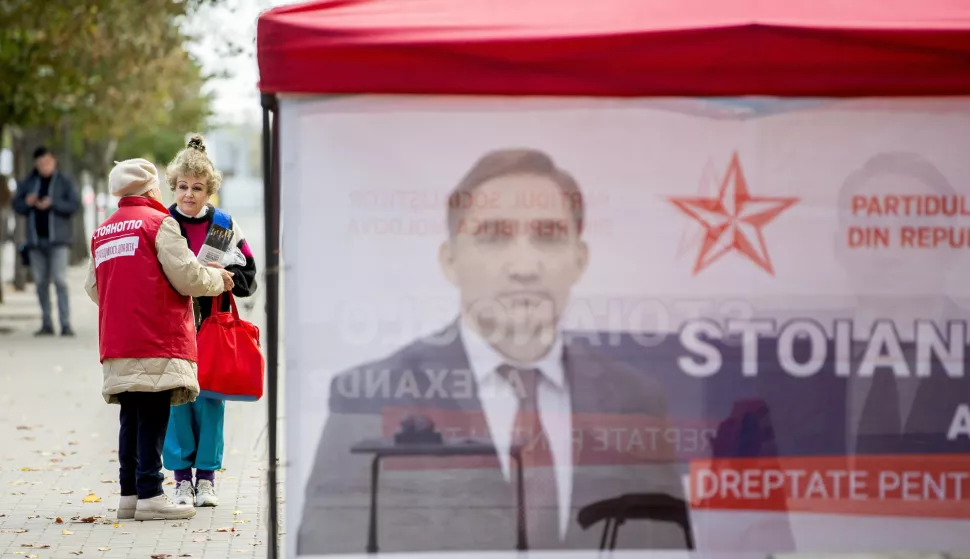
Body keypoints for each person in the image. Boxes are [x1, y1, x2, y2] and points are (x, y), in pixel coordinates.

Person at [298, 149, 688, 554]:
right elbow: (330, 545)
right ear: (450, 259)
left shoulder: (636, 398)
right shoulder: (371, 395)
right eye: (494, 235)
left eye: (549, 234)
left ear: (580, 258)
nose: (524, 266)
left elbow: (662, 542)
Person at [84, 158, 234, 521]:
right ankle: (151, 493)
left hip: (118, 338)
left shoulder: (103, 231)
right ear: (151, 188)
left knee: (130, 416)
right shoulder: (158, 223)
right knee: (153, 412)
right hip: (156, 336)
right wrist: (218, 279)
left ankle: (130, 495)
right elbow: (186, 278)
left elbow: (93, 287)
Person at [160, 135, 258, 509]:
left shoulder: (221, 224)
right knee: (176, 401)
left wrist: (226, 269)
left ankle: (207, 480)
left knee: (211, 401)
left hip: (212, 326)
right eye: (183, 186)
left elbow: (250, 277)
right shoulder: (163, 222)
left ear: (209, 190)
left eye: (197, 188)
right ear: (174, 186)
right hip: (171, 326)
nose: (189, 194)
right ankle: (181, 481)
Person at [12, 146, 81, 336]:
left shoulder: (64, 181)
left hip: (58, 240)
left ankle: (65, 323)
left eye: (48, 162)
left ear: (54, 161)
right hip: (35, 240)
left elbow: (75, 204)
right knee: (41, 282)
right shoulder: (28, 182)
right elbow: (17, 206)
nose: (45, 166)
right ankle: (46, 323)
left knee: (60, 280)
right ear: (36, 163)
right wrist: (28, 202)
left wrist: (53, 204)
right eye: (41, 163)